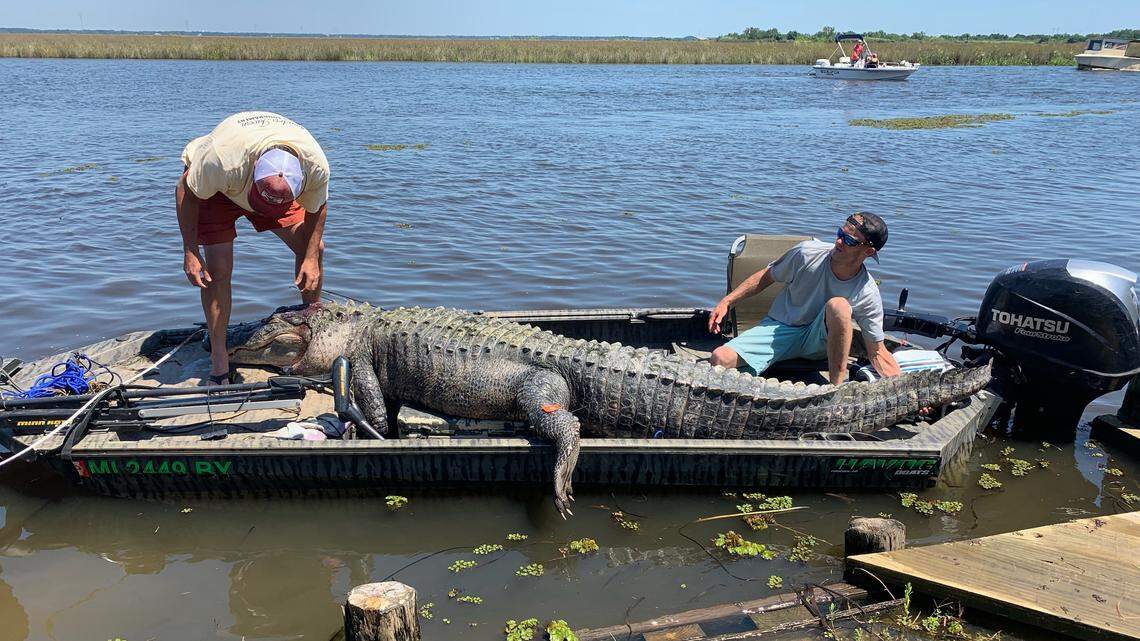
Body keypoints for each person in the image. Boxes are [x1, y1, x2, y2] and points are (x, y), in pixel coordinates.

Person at [176, 112, 330, 385]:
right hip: (219, 191)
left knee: (313, 247)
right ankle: (219, 361)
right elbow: (186, 191)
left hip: (265, 187)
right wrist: (190, 251)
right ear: (255, 164)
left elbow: (318, 207)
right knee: (218, 269)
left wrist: (310, 258)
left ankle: (312, 338)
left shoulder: (315, 166)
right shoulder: (221, 159)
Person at [707, 212, 903, 387]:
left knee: (839, 305)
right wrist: (727, 302)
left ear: (868, 252)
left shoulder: (867, 292)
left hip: (820, 343)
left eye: (849, 241)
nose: (839, 242)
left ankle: (834, 390)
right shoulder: (806, 253)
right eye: (839, 234)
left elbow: (877, 352)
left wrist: (903, 389)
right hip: (780, 329)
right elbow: (766, 276)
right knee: (720, 358)